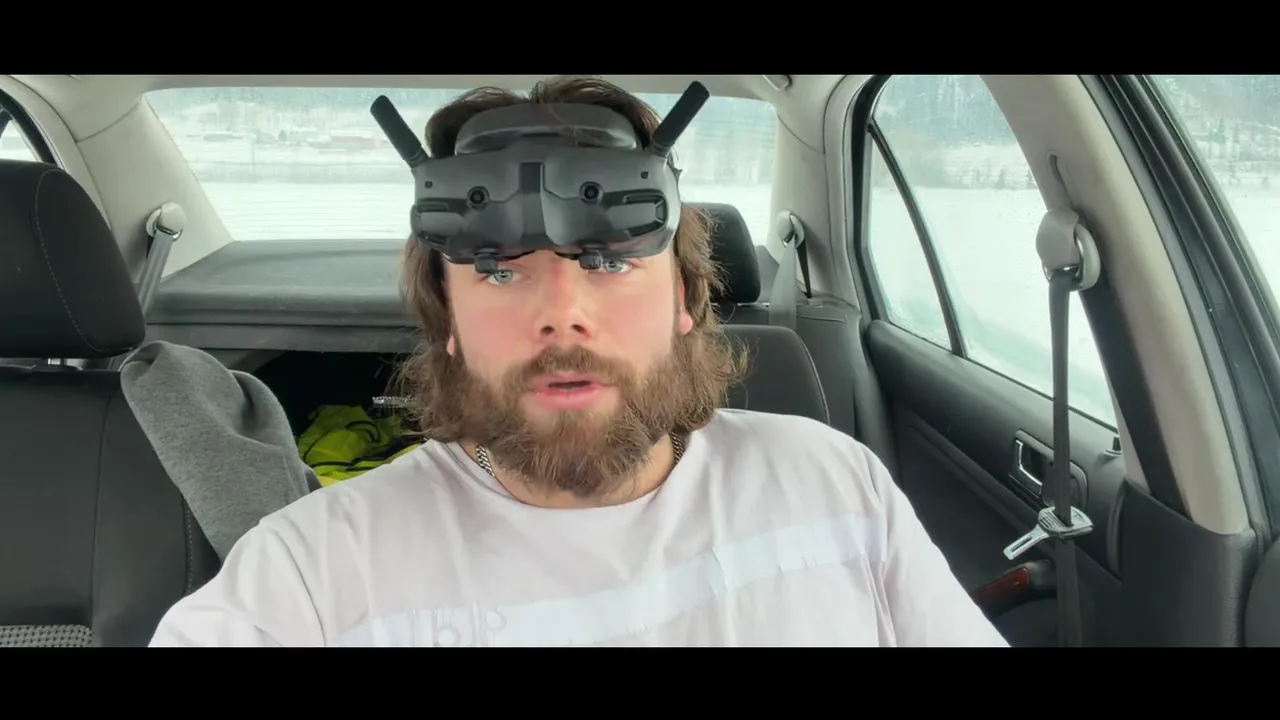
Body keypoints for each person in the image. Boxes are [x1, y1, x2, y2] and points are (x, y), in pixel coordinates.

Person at [148, 76, 1008, 647]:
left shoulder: (836, 485)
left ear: (684, 298)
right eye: (497, 270)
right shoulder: (312, 573)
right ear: (448, 322)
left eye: (610, 260)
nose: (562, 314)